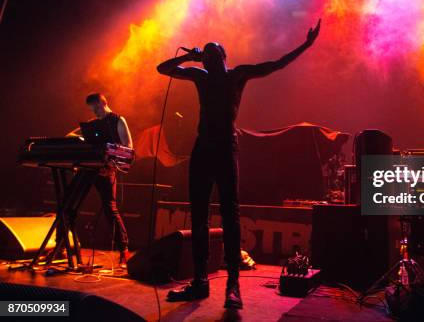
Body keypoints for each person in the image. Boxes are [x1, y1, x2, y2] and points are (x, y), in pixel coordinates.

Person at [158, 19, 321, 308]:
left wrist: (306, 45)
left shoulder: (238, 75)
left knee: (230, 215)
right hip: (203, 148)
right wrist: (188, 56)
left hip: (224, 147)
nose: (209, 58)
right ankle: (200, 281)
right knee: (198, 215)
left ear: (224, 57)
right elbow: (164, 69)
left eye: (213, 54)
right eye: (205, 55)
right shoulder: (201, 76)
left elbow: (276, 64)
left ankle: (233, 286)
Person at [70, 93, 132, 266]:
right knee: (69, 204)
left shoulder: (118, 121)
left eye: (97, 108)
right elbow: (70, 136)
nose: (95, 113)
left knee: (110, 209)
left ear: (104, 103)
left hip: (107, 170)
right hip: (88, 168)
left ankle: (124, 251)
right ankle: (62, 245)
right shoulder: (92, 124)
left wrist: (111, 162)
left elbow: (128, 147)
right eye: (92, 110)